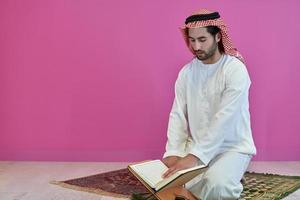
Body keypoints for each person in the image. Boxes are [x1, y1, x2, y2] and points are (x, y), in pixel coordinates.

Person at [162, 9, 256, 200]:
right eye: (192, 40)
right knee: (168, 181)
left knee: (217, 187)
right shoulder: (186, 73)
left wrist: (194, 157)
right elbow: (177, 114)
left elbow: (225, 119)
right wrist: (173, 151)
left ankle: (229, 176)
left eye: (202, 40)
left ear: (218, 36)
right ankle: (224, 175)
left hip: (232, 147)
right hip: (196, 145)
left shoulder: (235, 71)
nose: (196, 46)